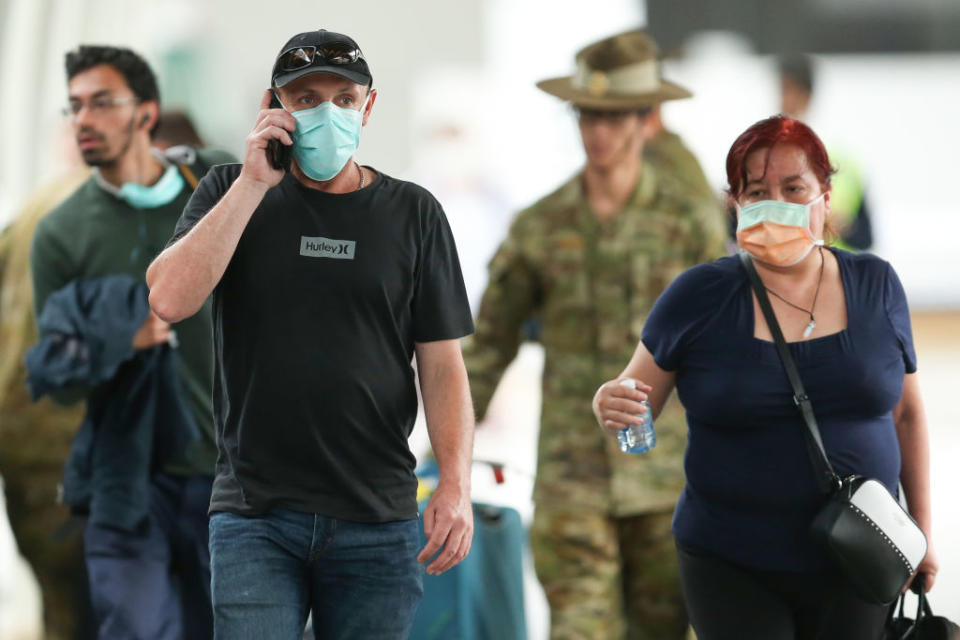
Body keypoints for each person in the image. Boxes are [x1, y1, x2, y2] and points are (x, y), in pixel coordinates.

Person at [145, 28, 476, 638]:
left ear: (367, 107)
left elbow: (441, 364)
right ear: (274, 107)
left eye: (344, 99)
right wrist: (251, 184)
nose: (327, 113)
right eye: (306, 99)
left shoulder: (413, 213)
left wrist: (455, 483)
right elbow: (168, 298)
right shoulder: (228, 192)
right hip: (256, 516)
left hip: (376, 516)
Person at [593, 115, 937, 639]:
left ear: (825, 195)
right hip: (731, 562)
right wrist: (610, 405)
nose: (774, 202)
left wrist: (922, 531)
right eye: (756, 191)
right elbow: (634, 406)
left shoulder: (876, 285)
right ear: (735, 204)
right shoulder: (699, 296)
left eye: (793, 187)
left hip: (861, 554)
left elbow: (906, 414)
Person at [462, 29, 727, 640]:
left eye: (612, 118)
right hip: (571, 478)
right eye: (586, 116)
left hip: (672, 482)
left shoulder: (688, 223)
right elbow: (486, 348)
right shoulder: (539, 226)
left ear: (645, 120)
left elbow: (728, 348)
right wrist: (444, 453)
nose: (597, 132)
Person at [28, 45, 233, 639]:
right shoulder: (61, 234)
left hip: (230, 478)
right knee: (136, 629)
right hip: (126, 484)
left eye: (101, 103)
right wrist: (121, 336)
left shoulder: (214, 184)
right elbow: (55, 375)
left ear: (146, 114)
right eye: (74, 108)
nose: (83, 121)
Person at [779, 54, 873, 251]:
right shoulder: (763, 157)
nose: (783, 99)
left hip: (834, 272)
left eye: (788, 90)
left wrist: (843, 226)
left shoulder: (843, 159)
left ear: (807, 95)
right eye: (782, 90)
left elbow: (866, 236)